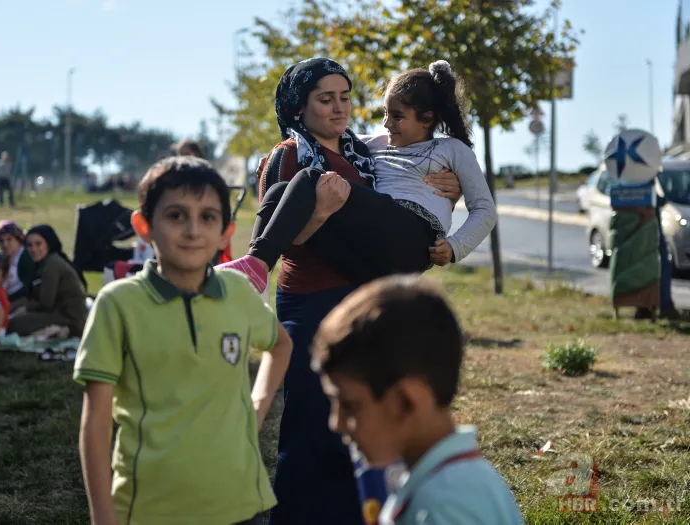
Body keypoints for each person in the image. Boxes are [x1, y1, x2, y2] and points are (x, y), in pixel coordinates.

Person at [227, 58, 462, 525]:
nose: (339, 108)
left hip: (362, 299)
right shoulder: (289, 155)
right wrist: (319, 212)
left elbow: (406, 196)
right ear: (300, 106)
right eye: (325, 99)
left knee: (360, 426)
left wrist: (447, 187)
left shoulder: (366, 154)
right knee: (311, 428)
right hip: (310, 301)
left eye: (345, 97)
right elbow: (286, 236)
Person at [74, 156, 293, 525]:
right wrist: (103, 517)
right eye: (176, 215)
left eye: (207, 217)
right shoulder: (117, 305)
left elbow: (280, 344)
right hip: (151, 509)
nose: (193, 230)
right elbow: (95, 425)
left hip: (242, 502)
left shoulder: (238, 291)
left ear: (225, 232)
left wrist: (257, 408)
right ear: (143, 226)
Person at [220, 61, 496, 293]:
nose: (387, 123)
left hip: (413, 237)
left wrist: (455, 246)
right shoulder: (374, 143)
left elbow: (485, 209)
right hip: (374, 256)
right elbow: (321, 138)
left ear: (427, 118)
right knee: (280, 190)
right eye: (385, 113)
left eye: (397, 116)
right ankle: (252, 275)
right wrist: (272, 156)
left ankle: (256, 264)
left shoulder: (451, 149)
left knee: (312, 178)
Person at [312, 275, 523, 525]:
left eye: (349, 405)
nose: (336, 423)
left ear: (408, 400)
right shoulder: (453, 482)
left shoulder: (444, 505)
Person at [7, 225, 88, 337]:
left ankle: (66, 330)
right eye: (29, 245)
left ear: (48, 244)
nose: (33, 249)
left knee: (14, 324)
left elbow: (45, 304)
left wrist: (25, 308)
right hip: (59, 311)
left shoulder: (52, 265)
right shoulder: (44, 263)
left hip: (69, 316)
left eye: (38, 244)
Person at [0, 220, 35, 307]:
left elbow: (28, 289)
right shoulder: (1, 257)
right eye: (1, 240)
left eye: (9, 239)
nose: (5, 244)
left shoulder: (26, 257)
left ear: (18, 240)